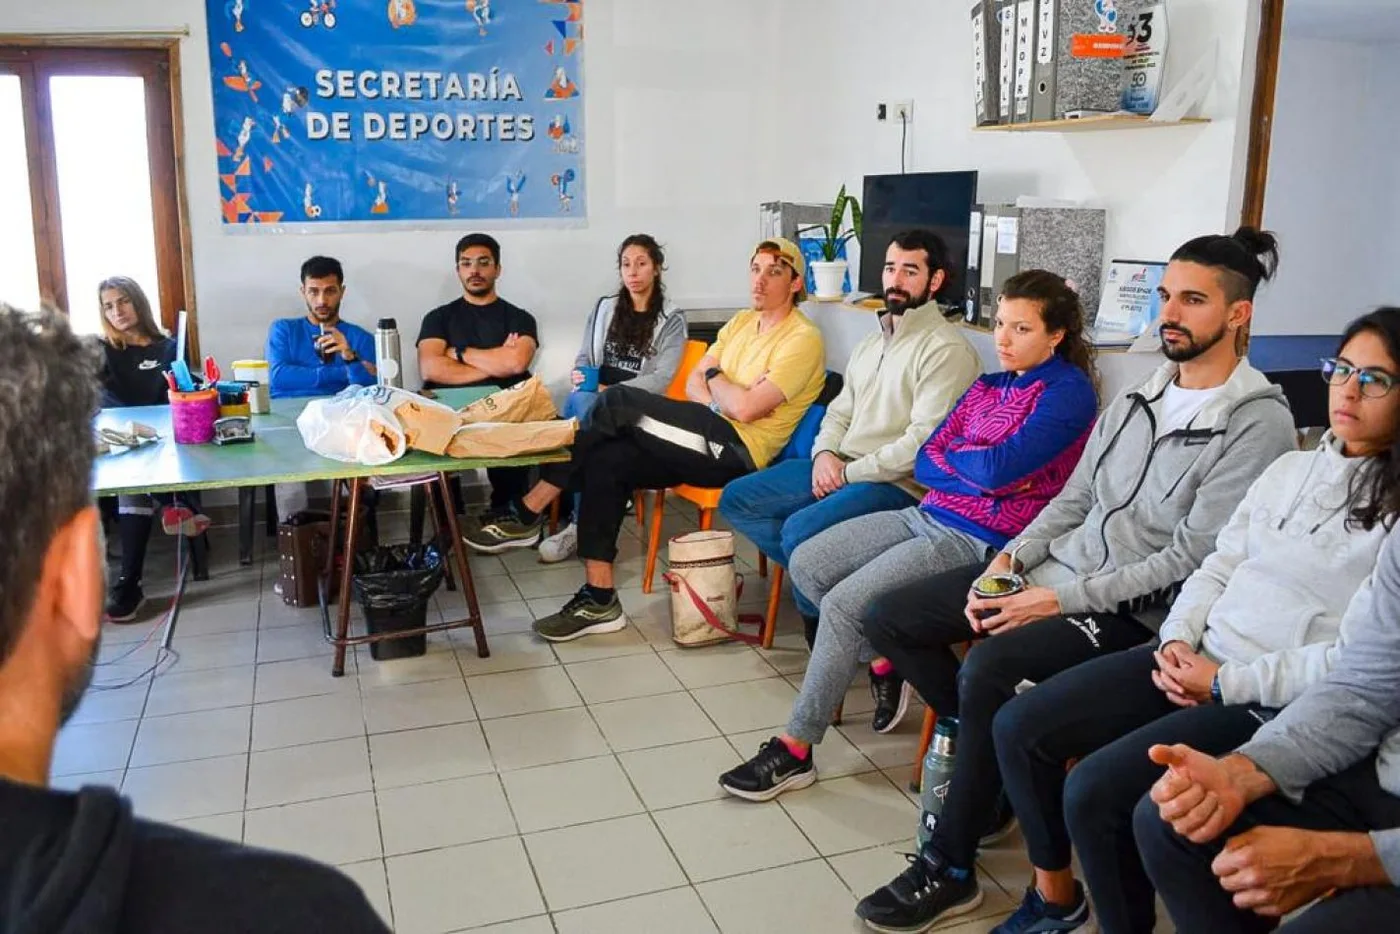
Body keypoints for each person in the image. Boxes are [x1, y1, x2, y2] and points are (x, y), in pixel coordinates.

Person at [851, 228, 1300, 933]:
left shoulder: (1255, 423)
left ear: (1238, 314)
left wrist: (1055, 600)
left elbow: (1189, 557)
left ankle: (952, 863)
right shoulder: (1139, 397)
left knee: (992, 668)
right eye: (1164, 297)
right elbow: (1076, 500)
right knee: (892, 616)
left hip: (1134, 610)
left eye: (1193, 300)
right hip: (1057, 572)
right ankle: (989, 766)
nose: (1170, 314)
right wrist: (1011, 562)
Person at [989, 309, 1400, 934]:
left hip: (1263, 691)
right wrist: (1177, 638)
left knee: (1107, 793)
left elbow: (1351, 665)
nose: (1348, 388)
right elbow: (1217, 561)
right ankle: (1060, 899)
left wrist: (1223, 682)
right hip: (1192, 651)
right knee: (1023, 723)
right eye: (1342, 369)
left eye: (1375, 378)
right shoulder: (1291, 466)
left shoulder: (1386, 512)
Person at [0, 303, 388, 934]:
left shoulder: (356, 330)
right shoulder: (290, 911)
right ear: (77, 575)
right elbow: (287, 383)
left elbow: (367, 380)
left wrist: (347, 361)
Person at [718, 269, 1098, 799]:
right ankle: (883, 656)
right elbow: (928, 461)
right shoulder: (990, 386)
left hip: (981, 538)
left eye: (1022, 329)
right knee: (807, 559)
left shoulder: (1067, 393)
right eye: (1002, 326)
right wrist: (975, 466)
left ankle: (797, 747)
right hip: (928, 511)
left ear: (1055, 335)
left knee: (847, 604)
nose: (1004, 341)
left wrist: (970, 465)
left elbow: (996, 473)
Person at [464, 238, 825, 643]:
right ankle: (599, 598)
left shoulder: (802, 339)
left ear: (795, 283)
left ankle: (531, 508)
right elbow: (695, 383)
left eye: (774, 271)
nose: (759, 281)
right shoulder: (742, 321)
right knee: (608, 459)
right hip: (703, 430)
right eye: (755, 269)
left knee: (617, 400)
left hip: (736, 450)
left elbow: (743, 411)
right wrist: (723, 389)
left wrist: (718, 387)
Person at [717, 230, 981, 670]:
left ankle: (831, 637)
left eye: (910, 270)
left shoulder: (946, 351)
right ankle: (854, 624)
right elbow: (838, 413)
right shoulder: (871, 342)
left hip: (896, 483)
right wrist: (824, 456)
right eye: (890, 268)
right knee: (739, 499)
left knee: (799, 532)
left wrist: (848, 473)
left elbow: (921, 446)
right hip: (841, 466)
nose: (895, 279)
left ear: (935, 282)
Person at [1135, 530, 1400, 933]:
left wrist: (1356, 858)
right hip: (1386, 762)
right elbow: (1366, 683)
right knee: (1177, 817)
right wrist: (1244, 770)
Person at [538, 233, 688, 563]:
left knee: (585, 415)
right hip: (595, 400)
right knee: (583, 409)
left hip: (637, 409)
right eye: (626, 264)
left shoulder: (671, 320)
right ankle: (591, 517)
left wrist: (612, 393)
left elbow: (662, 378)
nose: (632, 271)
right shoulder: (605, 308)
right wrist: (581, 374)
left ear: (657, 269)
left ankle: (573, 523)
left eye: (641, 263)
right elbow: (584, 357)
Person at [95, 277, 208, 622]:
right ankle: (173, 506)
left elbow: (180, 392)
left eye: (124, 301)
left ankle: (130, 586)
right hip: (117, 442)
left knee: (141, 473)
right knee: (133, 471)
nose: (118, 311)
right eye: (109, 306)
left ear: (139, 303)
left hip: (162, 441)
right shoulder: (101, 350)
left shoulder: (167, 347)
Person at [417, 233, 540, 513]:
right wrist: (496, 362)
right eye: (466, 263)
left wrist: (459, 354)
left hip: (508, 409)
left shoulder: (520, 317)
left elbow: (517, 363)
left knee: (533, 432)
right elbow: (430, 367)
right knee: (431, 434)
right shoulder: (438, 317)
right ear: (458, 270)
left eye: (483, 263)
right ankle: (449, 521)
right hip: (452, 410)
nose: (474, 270)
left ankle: (507, 513)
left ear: (497, 269)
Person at [265, 255, 378, 519]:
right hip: (287, 420)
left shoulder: (359, 337)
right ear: (302, 291)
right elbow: (280, 378)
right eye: (314, 291)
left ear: (342, 291)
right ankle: (296, 542)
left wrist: (349, 356)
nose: (321, 301)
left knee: (354, 484)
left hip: (341, 420)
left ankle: (352, 546)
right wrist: (341, 372)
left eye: (329, 291)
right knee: (290, 486)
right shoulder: (284, 329)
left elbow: (371, 389)